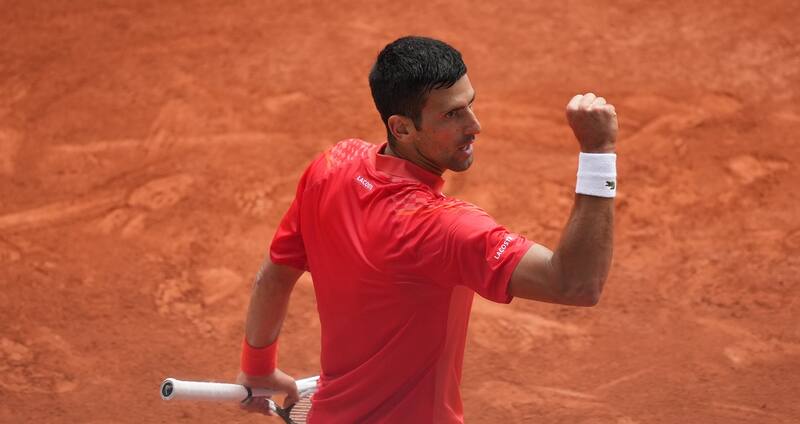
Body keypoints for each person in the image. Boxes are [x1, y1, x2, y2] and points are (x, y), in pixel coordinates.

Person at [235, 35, 618, 423]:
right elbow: (576, 283)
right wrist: (598, 153)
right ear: (401, 128)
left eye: (470, 105)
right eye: (451, 115)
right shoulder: (444, 229)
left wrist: (258, 367)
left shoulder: (331, 167)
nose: (474, 125)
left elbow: (275, 274)